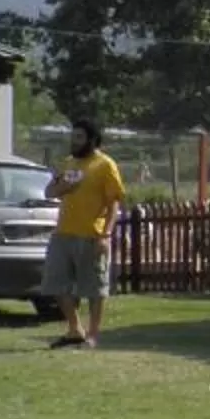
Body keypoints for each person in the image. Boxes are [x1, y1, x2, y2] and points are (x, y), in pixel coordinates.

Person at [46, 119, 126, 350]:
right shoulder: (69, 163)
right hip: (63, 233)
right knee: (56, 283)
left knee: (94, 288)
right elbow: (50, 191)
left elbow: (114, 205)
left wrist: (106, 235)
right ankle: (74, 330)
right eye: (73, 137)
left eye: (79, 137)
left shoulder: (104, 165)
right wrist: (64, 188)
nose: (74, 141)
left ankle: (92, 334)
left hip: (92, 234)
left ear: (92, 140)